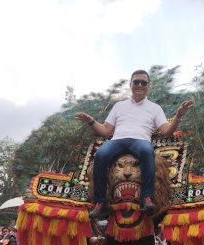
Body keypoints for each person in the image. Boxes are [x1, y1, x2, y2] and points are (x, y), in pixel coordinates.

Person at [75, 69, 194, 219]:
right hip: (117, 140)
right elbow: (105, 131)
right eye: (136, 82)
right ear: (130, 84)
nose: (139, 85)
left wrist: (178, 116)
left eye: (143, 82)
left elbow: (166, 131)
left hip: (140, 140)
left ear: (148, 86)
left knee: (147, 152)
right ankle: (100, 203)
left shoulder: (155, 108)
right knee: (100, 155)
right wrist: (91, 121)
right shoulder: (119, 106)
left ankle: (147, 198)